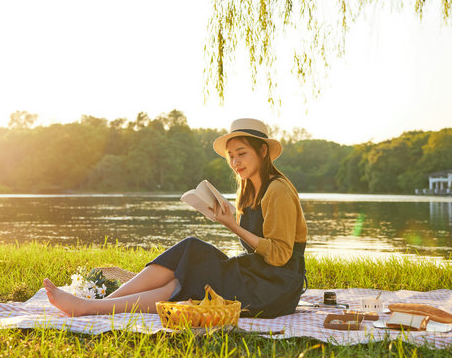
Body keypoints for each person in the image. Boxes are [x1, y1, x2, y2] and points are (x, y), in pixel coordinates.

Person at [43, 118, 308, 318]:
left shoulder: (278, 190)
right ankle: (96, 305)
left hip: (275, 288)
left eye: (242, 153)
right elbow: (258, 249)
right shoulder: (249, 189)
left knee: (192, 256)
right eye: (231, 156)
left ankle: (91, 307)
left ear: (263, 152)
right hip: (258, 275)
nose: (236, 162)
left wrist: (232, 226)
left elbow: (280, 256)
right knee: (185, 268)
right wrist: (229, 220)